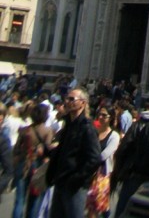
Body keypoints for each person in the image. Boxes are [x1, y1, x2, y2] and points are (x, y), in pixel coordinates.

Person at [45, 88, 102, 218]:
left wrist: (77, 179)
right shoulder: (68, 125)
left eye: (72, 99)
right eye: (67, 98)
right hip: (60, 182)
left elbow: (94, 159)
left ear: (82, 103)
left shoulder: (87, 127)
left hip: (75, 187)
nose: (67, 102)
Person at [12, 103, 53, 218]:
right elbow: (47, 150)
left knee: (19, 200)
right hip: (37, 166)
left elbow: (16, 149)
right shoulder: (47, 131)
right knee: (35, 199)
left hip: (23, 163)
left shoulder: (24, 130)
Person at [86, 108, 119, 218]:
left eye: (104, 115)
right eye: (99, 114)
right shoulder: (95, 132)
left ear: (111, 118)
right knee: (91, 207)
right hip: (90, 173)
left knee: (96, 206)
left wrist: (90, 159)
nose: (100, 117)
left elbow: (104, 155)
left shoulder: (114, 136)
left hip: (102, 175)